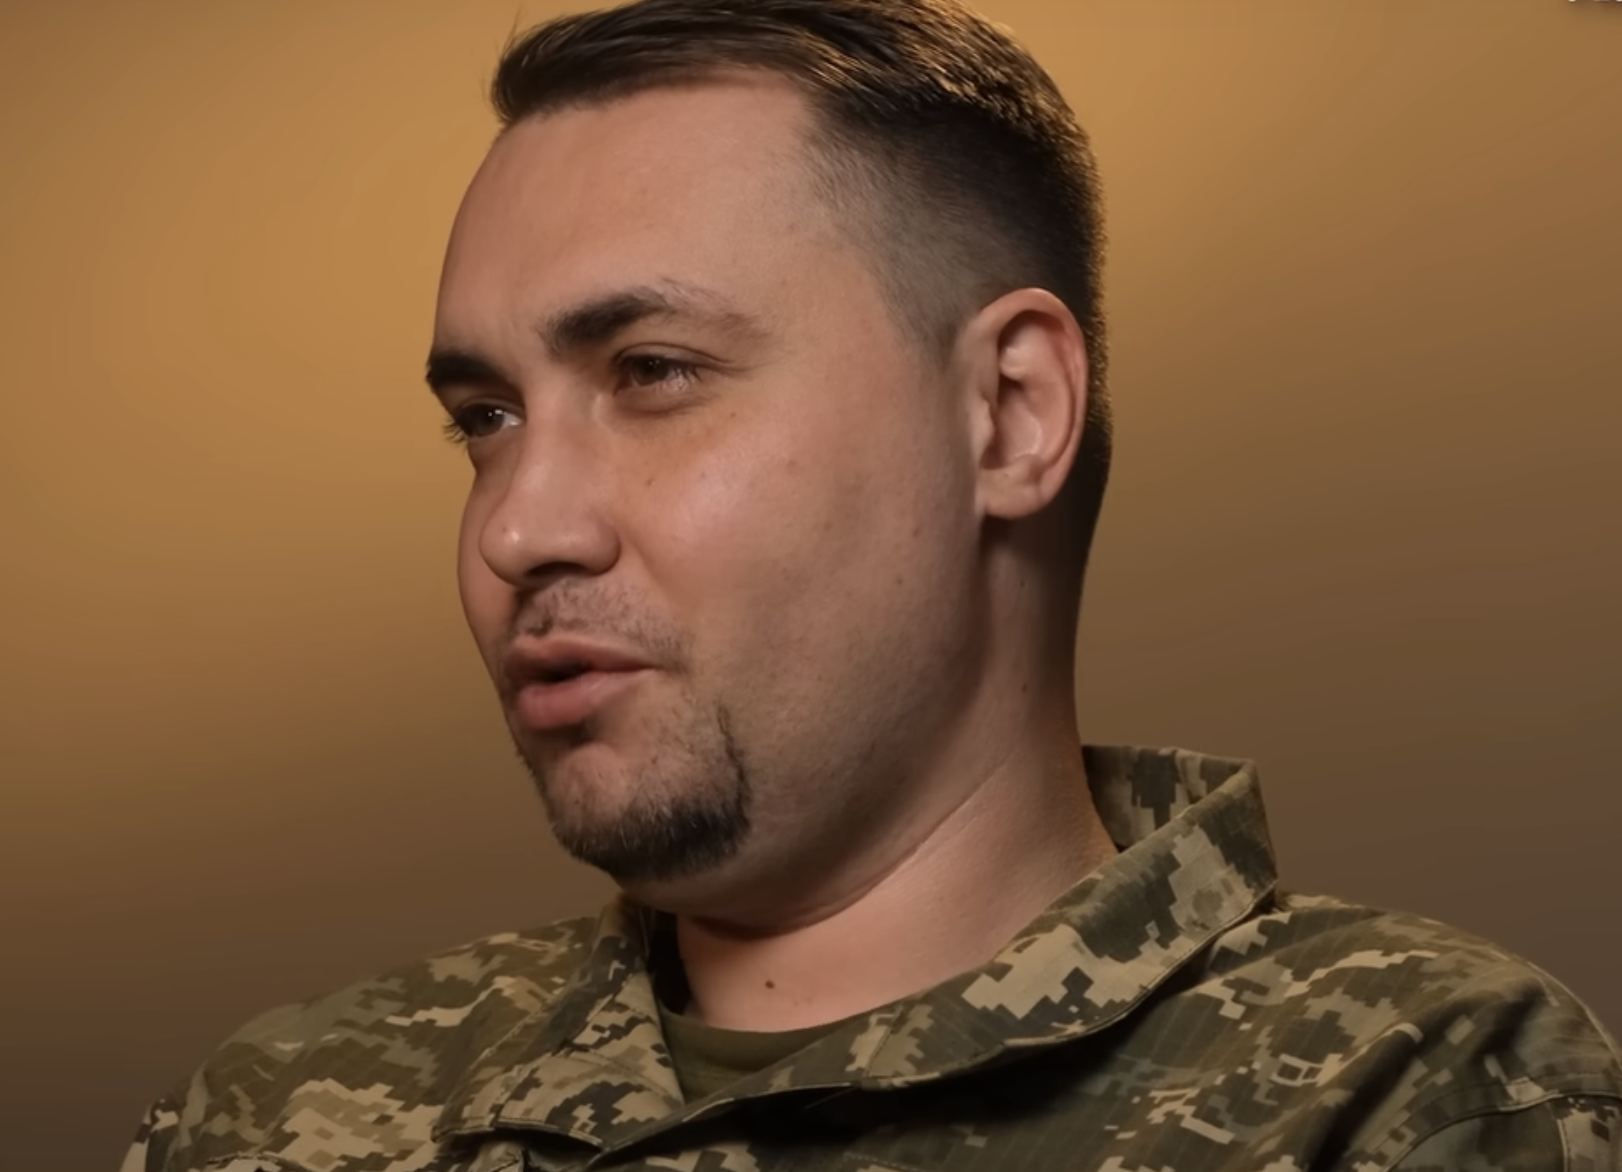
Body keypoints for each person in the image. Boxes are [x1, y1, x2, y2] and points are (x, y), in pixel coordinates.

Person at [121, 2, 1622, 1168]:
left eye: (653, 372)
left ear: (1007, 414)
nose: (517, 528)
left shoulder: (1416, 1096)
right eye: (485, 418)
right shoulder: (274, 1115)